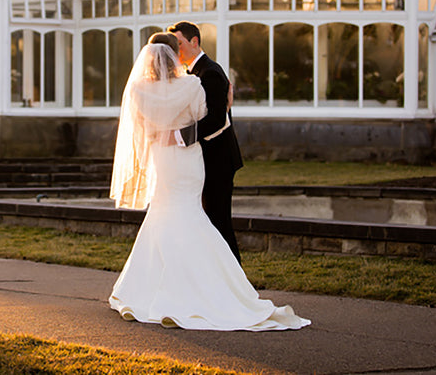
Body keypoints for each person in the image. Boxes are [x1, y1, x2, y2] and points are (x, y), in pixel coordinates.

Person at [108, 40, 309, 331]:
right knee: (190, 215)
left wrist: (162, 134)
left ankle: (146, 291)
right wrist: (226, 107)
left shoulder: (138, 90)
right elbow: (209, 121)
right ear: (175, 56)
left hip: (162, 161)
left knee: (163, 215)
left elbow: (139, 130)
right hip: (188, 162)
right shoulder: (191, 85)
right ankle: (209, 288)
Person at [168, 20, 244, 263]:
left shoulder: (210, 72)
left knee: (220, 222)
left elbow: (215, 121)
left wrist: (177, 136)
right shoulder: (193, 73)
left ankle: (237, 281)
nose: (176, 50)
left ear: (194, 42)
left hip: (219, 160)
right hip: (206, 160)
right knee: (210, 222)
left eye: (179, 43)